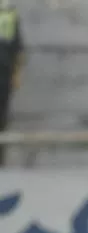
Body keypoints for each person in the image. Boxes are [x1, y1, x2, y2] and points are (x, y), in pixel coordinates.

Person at [0, 0, 24, 167]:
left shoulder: (9, 13)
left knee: (2, 119)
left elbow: (18, 47)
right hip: (5, 71)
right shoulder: (9, 13)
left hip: (4, 72)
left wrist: (16, 73)